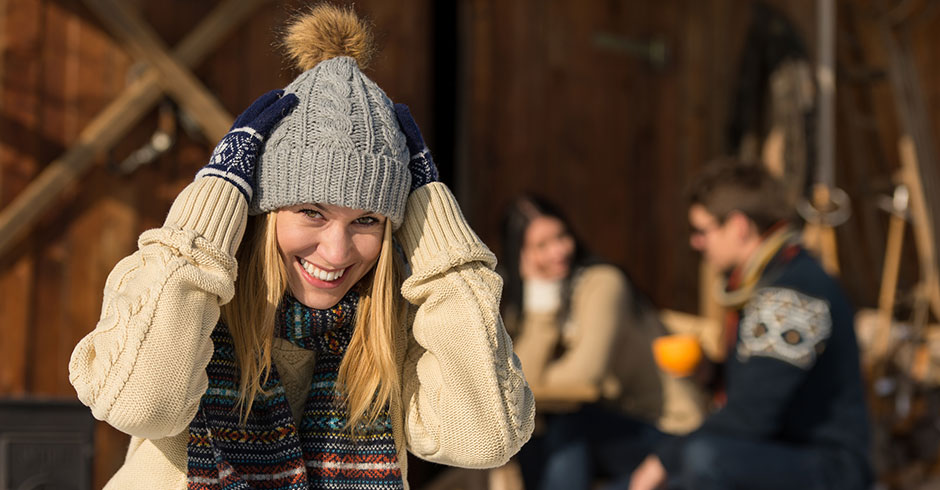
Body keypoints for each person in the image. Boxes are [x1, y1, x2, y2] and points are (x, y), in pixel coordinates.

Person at [68, 5, 534, 489]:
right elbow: (139, 406)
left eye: (367, 220)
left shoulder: (396, 323)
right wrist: (215, 198)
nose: (336, 252)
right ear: (264, 211)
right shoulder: (183, 292)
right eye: (312, 212)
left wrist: (434, 222)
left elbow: (487, 437)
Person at [629, 158, 872, 490]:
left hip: (825, 466)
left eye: (702, 231)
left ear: (739, 226)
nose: (695, 243)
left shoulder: (791, 295)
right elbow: (765, 388)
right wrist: (710, 373)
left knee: (702, 457)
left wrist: (664, 459)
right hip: (773, 450)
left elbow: (753, 416)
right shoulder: (769, 279)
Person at [502, 195, 669, 490]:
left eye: (562, 236)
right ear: (521, 255)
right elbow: (519, 380)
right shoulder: (529, 299)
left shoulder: (602, 283)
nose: (559, 250)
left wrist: (533, 384)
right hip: (596, 433)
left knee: (564, 423)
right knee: (531, 431)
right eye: (541, 246)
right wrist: (540, 300)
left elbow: (582, 379)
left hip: (656, 427)